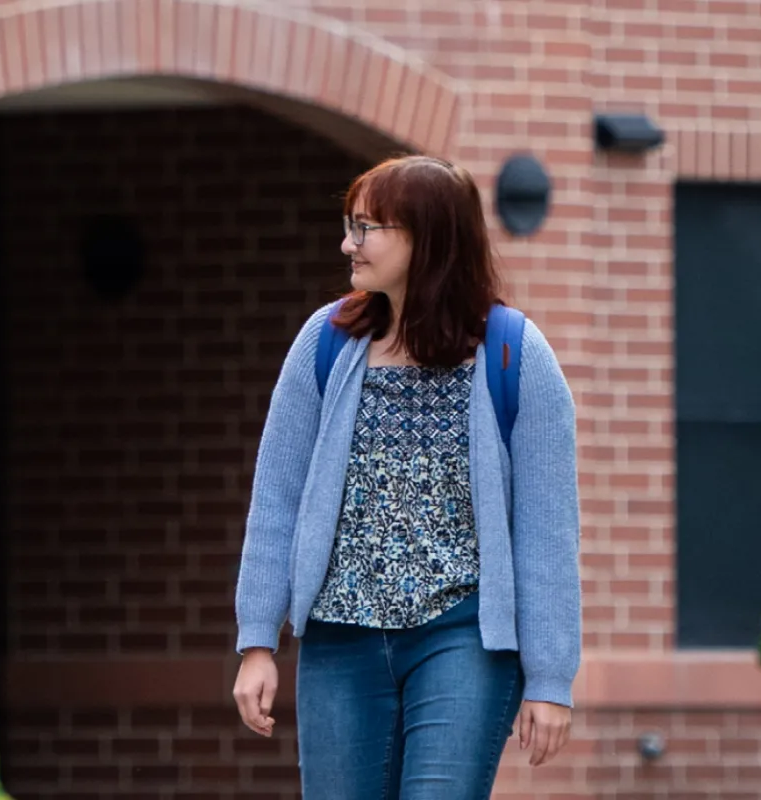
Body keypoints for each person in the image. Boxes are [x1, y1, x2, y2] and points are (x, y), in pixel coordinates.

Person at [231, 155, 581, 798]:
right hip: (340, 644)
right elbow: (275, 499)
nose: (348, 244)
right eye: (350, 225)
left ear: (428, 237)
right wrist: (257, 639)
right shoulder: (327, 343)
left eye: (366, 228)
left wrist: (551, 680)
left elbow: (547, 531)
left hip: (462, 640)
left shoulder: (514, 355)